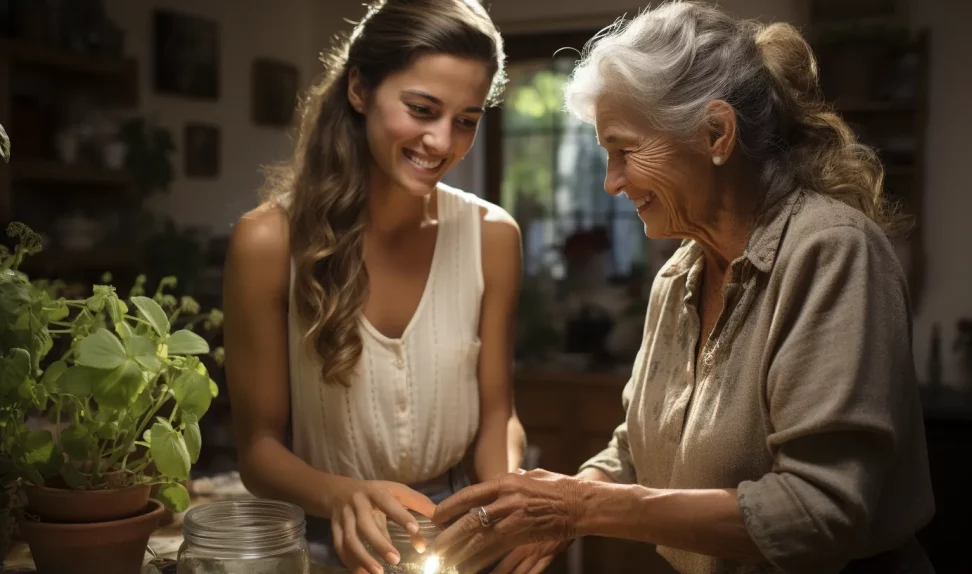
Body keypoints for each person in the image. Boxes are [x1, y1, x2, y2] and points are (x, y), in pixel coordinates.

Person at [429, 2, 935, 574]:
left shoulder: (831, 251)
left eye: (624, 150)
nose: (612, 182)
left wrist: (581, 507)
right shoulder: (681, 274)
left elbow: (820, 511)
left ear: (716, 133)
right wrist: (555, 506)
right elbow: (637, 447)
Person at [222, 1, 526, 572]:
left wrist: (508, 501)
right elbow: (258, 451)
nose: (441, 142)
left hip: (461, 534)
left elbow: (496, 417)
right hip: (324, 541)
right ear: (359, 90)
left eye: (466, 119)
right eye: (421, 109)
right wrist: (342, 495)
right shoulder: (266, 243)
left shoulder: (493, 237)